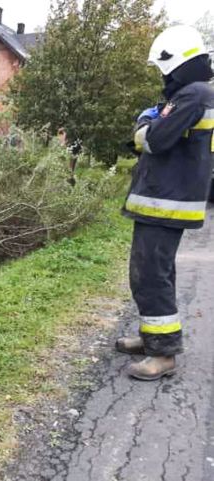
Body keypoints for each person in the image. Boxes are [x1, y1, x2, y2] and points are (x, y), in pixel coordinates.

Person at [118, 25, 214, 381]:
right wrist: (156, 117)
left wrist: (146, 121)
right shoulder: (192, 93)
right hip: (161, 202)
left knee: (151, 276)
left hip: (166, 203)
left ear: (177, 61)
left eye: (164, 67)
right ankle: (152, 338)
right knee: (153, 274)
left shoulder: (194, 96)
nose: (163, 75)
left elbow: (154, 139)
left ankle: (163, 354)